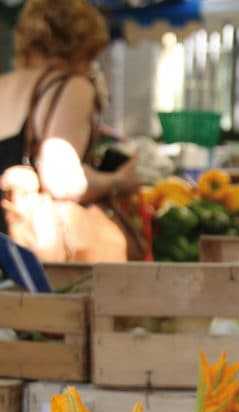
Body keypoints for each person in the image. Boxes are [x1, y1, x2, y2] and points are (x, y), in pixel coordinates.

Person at [0, 0, 140, 237]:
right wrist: (117, 180)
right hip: (25, 255)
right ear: (83, 44)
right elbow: (62, 181)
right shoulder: (70, 87)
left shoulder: (5, 83)